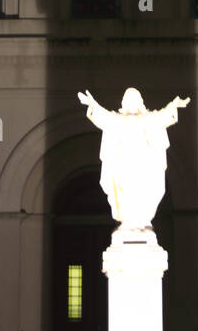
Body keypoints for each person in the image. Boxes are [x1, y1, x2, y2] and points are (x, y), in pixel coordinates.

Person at [78, 87, 190, 231]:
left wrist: (173, 105)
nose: (131, 103)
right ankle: (128, 221)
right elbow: (104, 117)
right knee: (125, 193)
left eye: (134, 99)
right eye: (128, 100)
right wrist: (92, 104)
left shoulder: (148, 119)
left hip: (143, 166)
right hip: (124, 166)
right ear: (124, 102)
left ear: (140, 102)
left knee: (144, 191)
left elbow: (162, 117)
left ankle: (142, 220)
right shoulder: (118, 120)